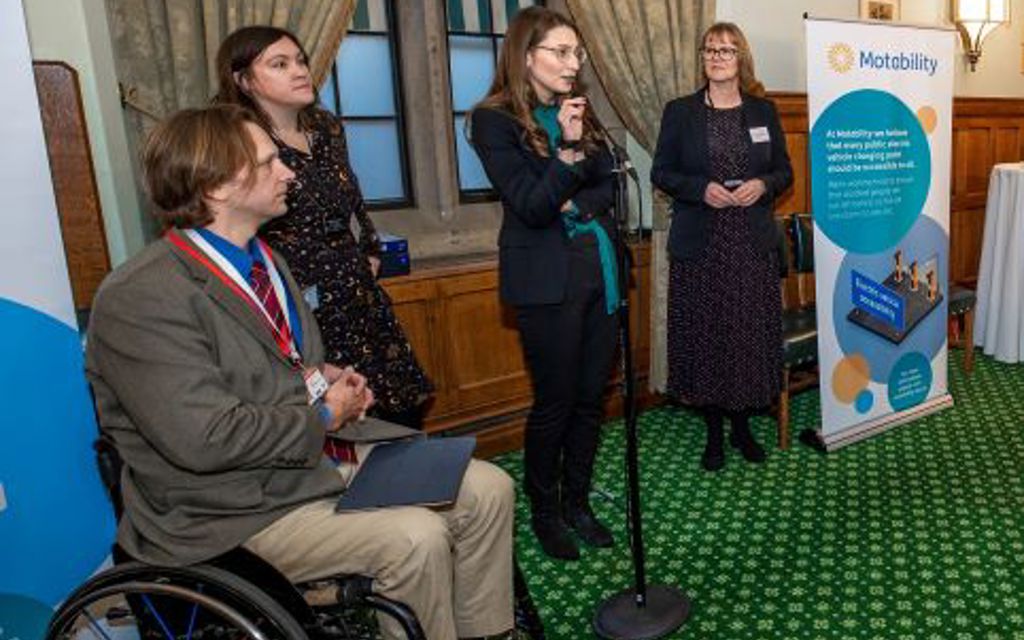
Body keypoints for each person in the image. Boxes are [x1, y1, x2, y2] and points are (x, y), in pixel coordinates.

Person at [85, 105, 515, 640]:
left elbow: (278, 363)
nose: (288, 172)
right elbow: (204, 439)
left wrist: (325, 376)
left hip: (311, 463)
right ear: (217, 186)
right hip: (231, 509)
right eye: (268, 163)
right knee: (415, 537)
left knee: (490, 488)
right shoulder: (141, 297)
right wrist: (327, 411)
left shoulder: (265, 259)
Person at [213, 26, 431, 429]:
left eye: (300, 61)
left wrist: (370, 249)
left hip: (355, 287)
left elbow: (352, 195)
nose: (299, 71)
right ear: (243, 80)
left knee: (401, 410)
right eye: (280, 64)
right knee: (343, 423)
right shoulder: (238, 144)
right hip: (299, 301)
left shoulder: (327, 129)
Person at [469, 6, 619, 561]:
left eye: (576, 52)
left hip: (598, 274)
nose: (573, 63)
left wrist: (573, 194)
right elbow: (531, 207)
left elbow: (610, 186)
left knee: (590, 401)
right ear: (525, 55)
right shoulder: (494, 121)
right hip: (544, 280)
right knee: (555, 402)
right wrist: (569, 152)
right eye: (561, 51)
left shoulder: (581, 110)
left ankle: (579, 503)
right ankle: (546, 511)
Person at [651, 22, 793, 472]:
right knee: (708, 335)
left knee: (746, 335)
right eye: (711, 49)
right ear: (703, 57)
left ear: (741, 59)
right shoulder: (681, 112)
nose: (717, 57)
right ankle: (713, 432)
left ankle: (742, 426)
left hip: (750, 243)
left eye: (727, 50)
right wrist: (699, 189)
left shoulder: (763, 111)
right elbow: (662, 172)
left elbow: (784, 171)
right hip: (704, 243)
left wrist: (762, 184)